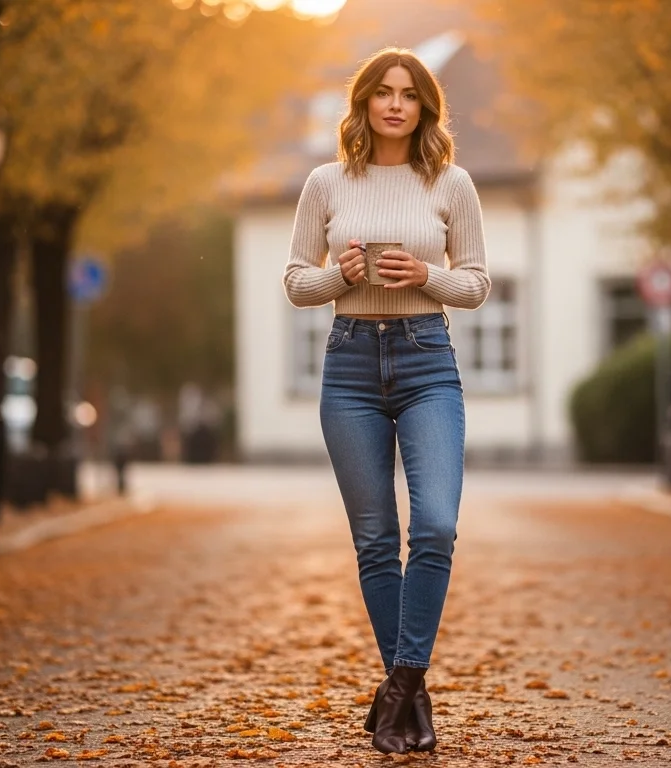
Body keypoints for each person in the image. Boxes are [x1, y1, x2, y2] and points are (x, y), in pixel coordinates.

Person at [282, 46, 490, 754]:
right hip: (349, 368)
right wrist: (339, 276)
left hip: (427, 359)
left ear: (426, 107)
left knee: (433, 524)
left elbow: (477, 284)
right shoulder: (325, 183)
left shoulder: (451, 183)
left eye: (410, 93)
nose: (396, 103)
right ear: (364, 102)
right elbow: (293, 282)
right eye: (383, 92)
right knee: (375, 540)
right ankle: (411, 696)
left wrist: (426, 273)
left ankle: (401, 687)